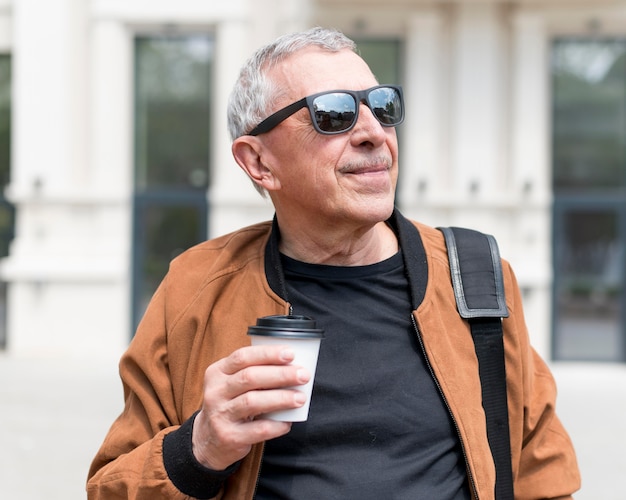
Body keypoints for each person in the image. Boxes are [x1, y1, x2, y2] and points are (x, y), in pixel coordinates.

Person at [87, 27, 580, 499]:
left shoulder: (472, 274)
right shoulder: (196, 288)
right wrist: (197, 449)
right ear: (258, 162)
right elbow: (109, 488)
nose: (373, 132)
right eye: (333, 114)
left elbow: (542, 474)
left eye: (383, 106)